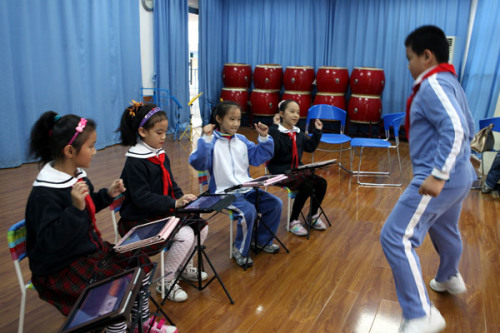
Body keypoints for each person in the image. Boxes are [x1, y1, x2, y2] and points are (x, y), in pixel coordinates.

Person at [26, 111, 175, 333]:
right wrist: (75, 210)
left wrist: (107, 194)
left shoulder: (77, 175)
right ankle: (118, 326)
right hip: (59, 267)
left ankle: (140, 323)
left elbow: (88, 205)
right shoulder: (44, 195)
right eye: (91, 146)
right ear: (69, 151)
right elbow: (49, 243)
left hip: (87, 251)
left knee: (140, 266)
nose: (95, 151)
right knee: (113, 301)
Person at [380, 25, 476, 333]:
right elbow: (470, 126)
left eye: (409, 58)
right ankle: (448, 277)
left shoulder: (433, 84)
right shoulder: (450, 82)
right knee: (445, 229)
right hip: (459, 175)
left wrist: (438, 174)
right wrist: (457, 169)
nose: (407, 65)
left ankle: (421, 314)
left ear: (426, 56)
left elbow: (458, 129)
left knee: (395, 236)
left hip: (439, 176)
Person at [117, 101, 208, 303]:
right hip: (139, 219)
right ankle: (166, 281)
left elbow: (171, 182)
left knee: (200, 226)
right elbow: (142, 198)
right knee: (184, 234)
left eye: (165, 132)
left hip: (160, 211)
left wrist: (182, 198)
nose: (164, 137)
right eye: (159, 132)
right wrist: (174, 204)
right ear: (142, 131)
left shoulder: (159, 154)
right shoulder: (135, 162)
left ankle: (183, 268)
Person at [189, 101, 283, 268]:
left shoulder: (242, 140)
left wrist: (263, 137)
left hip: (246, 189)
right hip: (222, 193)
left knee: (275, 204)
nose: (236, 124)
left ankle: (261, 241)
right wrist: (205, 140)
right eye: (231, 119)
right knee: (248, 211)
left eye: (238, 120)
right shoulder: (210, 142)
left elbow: (257, 157)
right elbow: (198, 163)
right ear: (218, 118)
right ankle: (239, 249)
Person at [267, 99, 328, 236]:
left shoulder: (298, 133)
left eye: (298, 112)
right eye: (292, 111)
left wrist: (317, 131)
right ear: (281, 114)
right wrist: (275, 128)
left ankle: (312, 216)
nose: (295, 115)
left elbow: (310, 147)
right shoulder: (275, 131)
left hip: (296, 170)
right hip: (279, 171)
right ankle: (293, 220)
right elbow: (272, 151)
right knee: (306, 186)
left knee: (321, 183)